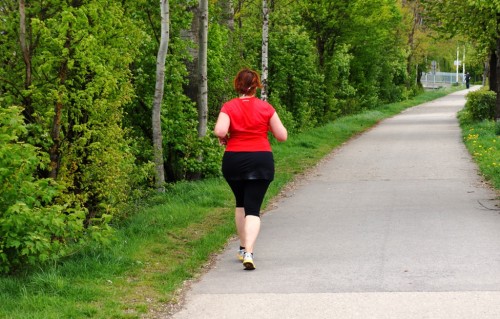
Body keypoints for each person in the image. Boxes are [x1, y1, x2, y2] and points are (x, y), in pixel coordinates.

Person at [214, 68, 287, 270]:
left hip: (234, 159)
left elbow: (220, 130)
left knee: (240, 204)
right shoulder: (266, 108)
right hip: (260, 158)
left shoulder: (229, 107)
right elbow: (282, 136)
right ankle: (249, 252)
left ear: (237, 85)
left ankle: (242, 247)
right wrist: (266, 127)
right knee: (253, 208)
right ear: (256, 86)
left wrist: (225, 136)